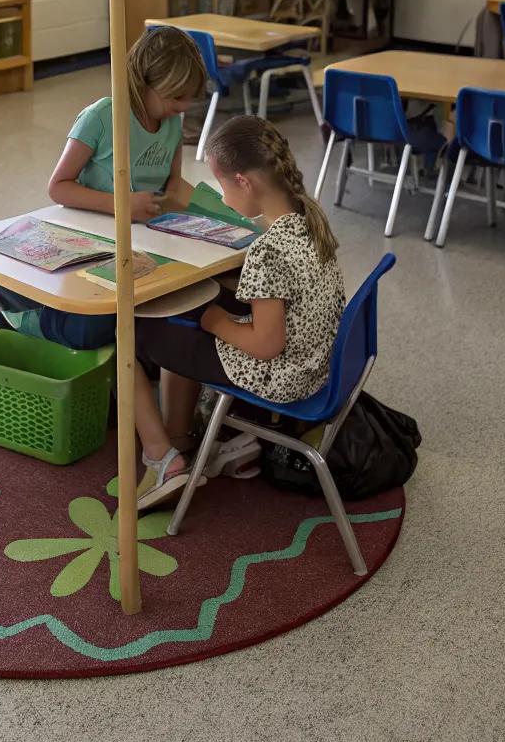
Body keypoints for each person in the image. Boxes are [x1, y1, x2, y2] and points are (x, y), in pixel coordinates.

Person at [132, 114, 345, 510]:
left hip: (282, 376)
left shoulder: (267, 250)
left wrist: (215, 321)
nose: (224, 198)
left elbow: (266, 344)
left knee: (141, 335)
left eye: (223, 185)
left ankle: (164, 457)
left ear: (244, 182)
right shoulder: (309, 220)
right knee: (205, 311)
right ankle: (185, 432)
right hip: (320, 363)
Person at [0, 26, 207, 349]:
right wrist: (121, 203)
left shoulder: (171, 123)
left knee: (177, 302)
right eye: (176, 96)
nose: (183, 107)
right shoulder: (102, 117)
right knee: (97, 328)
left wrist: (223, 215)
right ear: (145, 83)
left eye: (188, 98)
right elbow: (58, 187)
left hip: (141, 241)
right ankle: (15, 315)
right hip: (91, 239)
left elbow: (175, 185)